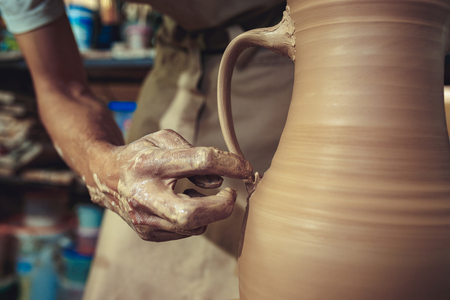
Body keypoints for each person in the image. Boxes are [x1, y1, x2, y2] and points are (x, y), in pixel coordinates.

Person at [0, 0, 295, 298]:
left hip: (288, 53)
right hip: (178, 54)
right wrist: (106, 168)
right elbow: (60, 87)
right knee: (126, 273)